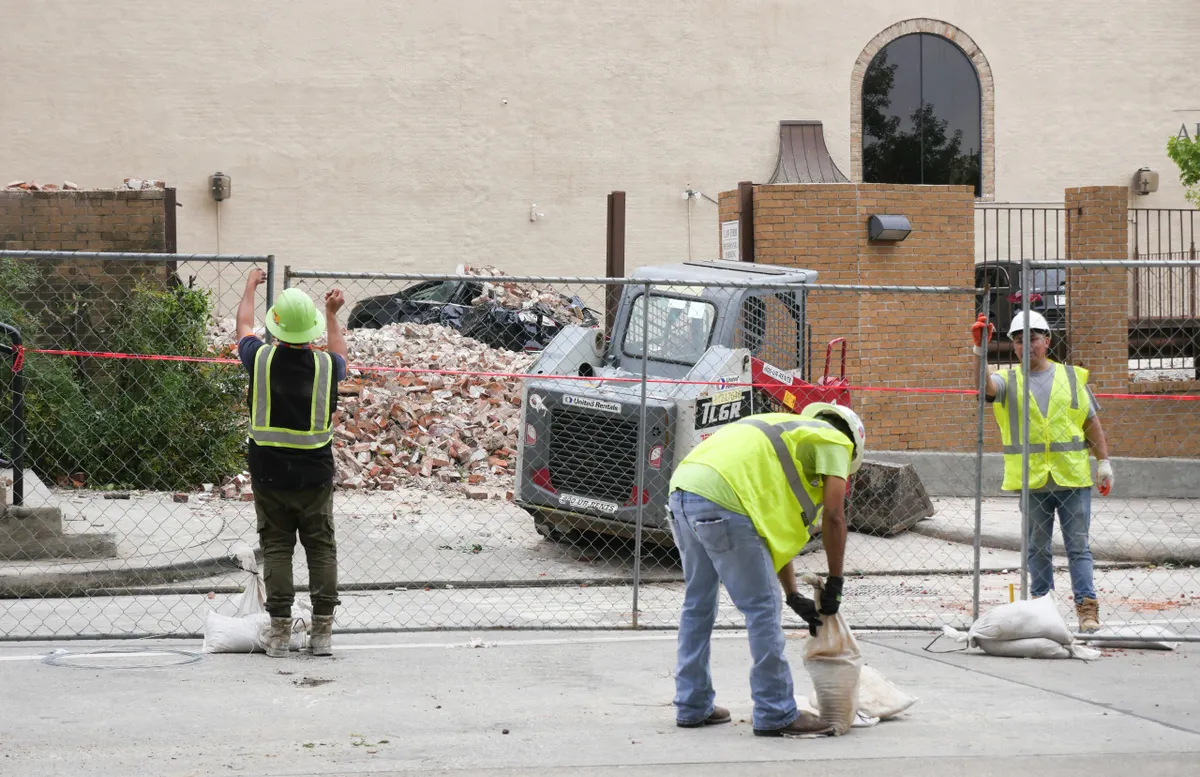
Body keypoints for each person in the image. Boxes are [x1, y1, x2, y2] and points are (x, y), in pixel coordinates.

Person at [666, 403, 865, 738]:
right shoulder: (835, 442)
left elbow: (771, 532)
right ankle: (775, 710)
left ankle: (692, 704)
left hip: (683, 490)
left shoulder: (782, 434)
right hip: (723, 499)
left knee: (698, 603)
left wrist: (792, 594)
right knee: (761, 608)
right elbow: (834, 516)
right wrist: (835, 580)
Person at [971, 310, 1113, 632]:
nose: (1026, 346)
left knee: (1079, 547)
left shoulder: (1070, 377)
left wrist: (1102, 462)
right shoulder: (1008, 381)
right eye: (1019, 341)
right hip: (1033, 481)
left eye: (1032, 339)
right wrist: (980, 350)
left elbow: (1091, 422)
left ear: (1047, 340)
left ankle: (1087, 610)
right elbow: (985, 385)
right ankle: (1041, 610)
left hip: (1072, 478)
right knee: (1037, 550)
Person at [235, 269, 348, 657]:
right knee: (320, 548)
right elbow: (339, 352)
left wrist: (250, 285)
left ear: (277, 329)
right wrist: (333, 313)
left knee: (278, 546)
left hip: (268, 473)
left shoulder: (261, 359)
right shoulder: (327, 368)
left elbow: (244, 326)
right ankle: (322, 634)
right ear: (311, 331)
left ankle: (280, 634)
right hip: (315, 475)